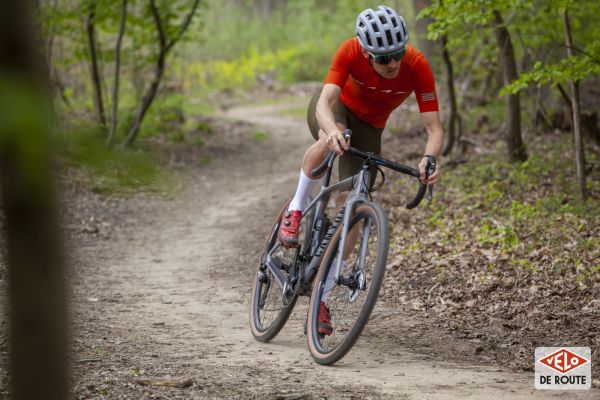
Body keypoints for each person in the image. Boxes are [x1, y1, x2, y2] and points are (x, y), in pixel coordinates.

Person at [278, 5, 443, 335]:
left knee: (351, 206)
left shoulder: (417, 65)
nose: (392, 63)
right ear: (367, 53)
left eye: (396, 53)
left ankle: (321, 297)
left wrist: (429, 158)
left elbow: (434, 129)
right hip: (335, 110)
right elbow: (325, 102)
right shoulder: (349, 51)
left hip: (370, 127)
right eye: (383, 58)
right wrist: (333, 131)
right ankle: (296, 208)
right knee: (332, 135)